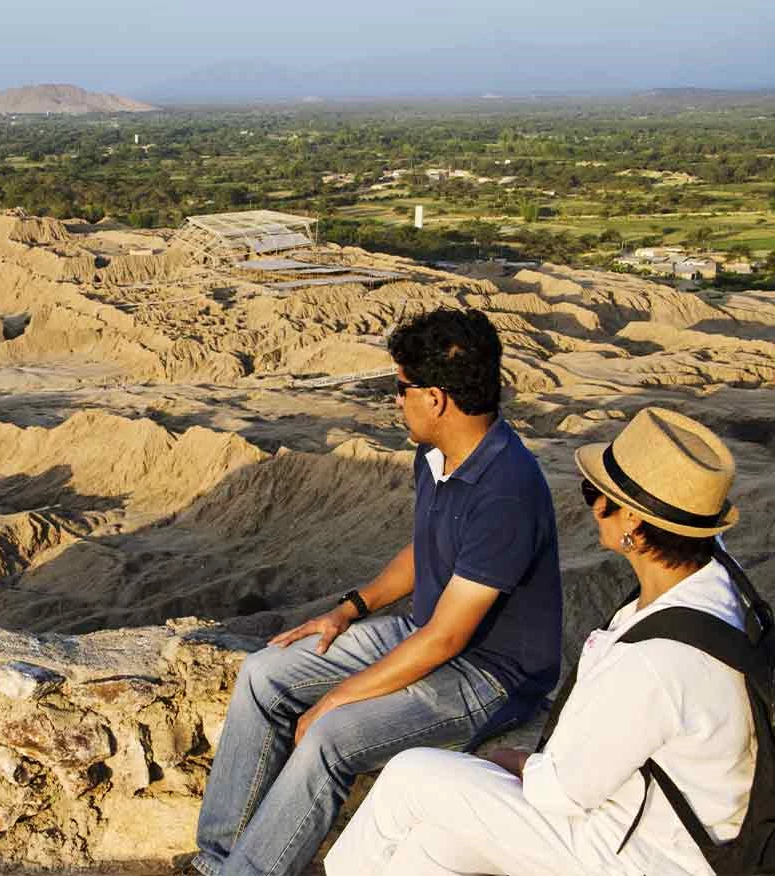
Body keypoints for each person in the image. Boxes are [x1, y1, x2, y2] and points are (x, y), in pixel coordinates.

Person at [191, 308, 563, 876]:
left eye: (401, 388)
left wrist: (335, 700)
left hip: (488, 675)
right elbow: (426, 550)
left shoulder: (507, 490)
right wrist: (348, 609)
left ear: (435, 398)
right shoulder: (437, 454)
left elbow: (446, 640)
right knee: (263, 674)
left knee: (329, 737)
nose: (396, 400)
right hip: (426, 632)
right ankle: (217, 860)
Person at [325, 407, 757, 876]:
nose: (592, 506)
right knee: (434, 845)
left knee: (410, 776)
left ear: (632, 520)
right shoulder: (717, 585)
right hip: (658, 825)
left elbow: (563, 792)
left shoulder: (656, 662)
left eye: (596, 494)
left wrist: (516, 761)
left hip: (642, 856)